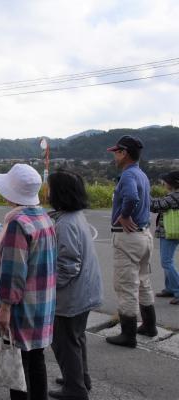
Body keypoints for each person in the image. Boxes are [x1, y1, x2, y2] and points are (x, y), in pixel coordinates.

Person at [0, 163, 56, 400]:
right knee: (36, 361)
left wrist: (4, 308)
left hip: (21, 308)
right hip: (43, 305)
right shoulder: (43, 217)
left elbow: (14, 270)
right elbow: (21, 255)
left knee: (18, 369)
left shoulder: (18, 223)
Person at [47, 170, 103, 400]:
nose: (47, 192)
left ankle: (75, 389)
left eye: (50, 188)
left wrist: (48, 287)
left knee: (65, 342)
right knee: (76, 338)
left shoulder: (66, 224)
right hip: (84, 292)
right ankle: (80, 378)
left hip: (72, 296)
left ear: (60, 193)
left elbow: (69, 266)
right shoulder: (74, 216)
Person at [105, 135, 157, 347]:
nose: (114, 156)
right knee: (143, 281)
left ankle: (128, 335)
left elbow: (132, 198)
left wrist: (125, 215)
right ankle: (149, 325)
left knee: (126, 285)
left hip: (128, 237)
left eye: (116, 152)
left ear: (124, 153)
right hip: (145, 235)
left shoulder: (127, 176)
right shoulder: (142, 174)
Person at [150, 170, 179, 306]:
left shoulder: (175, 197)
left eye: (166, 181)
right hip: (170, 231)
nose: (164, 183)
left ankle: (177, 290)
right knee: (167, 260)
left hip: (170, 232)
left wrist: (144, 194)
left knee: (166, 262)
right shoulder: (173, 196)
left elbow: (156, 206)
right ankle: (170, 288)